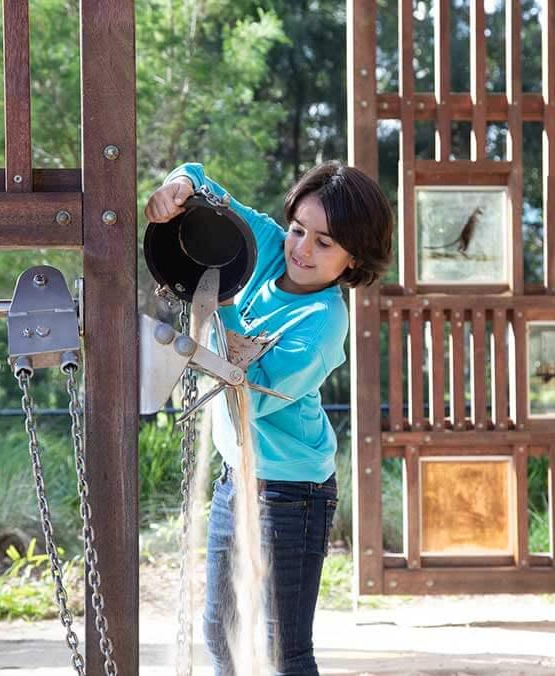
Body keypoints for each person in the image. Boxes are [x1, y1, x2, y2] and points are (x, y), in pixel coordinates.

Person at [144, 161, 393, 676]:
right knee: (219, 629)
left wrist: (227, 303)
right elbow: (203, 179)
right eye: (299, 229)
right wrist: (178, 188)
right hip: (237, 480)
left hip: (294, 493)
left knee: (285, 650)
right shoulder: (263, 246)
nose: (301, 248)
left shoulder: (323, 324)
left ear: (353, 259)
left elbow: (250, 398)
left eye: (325, 243)